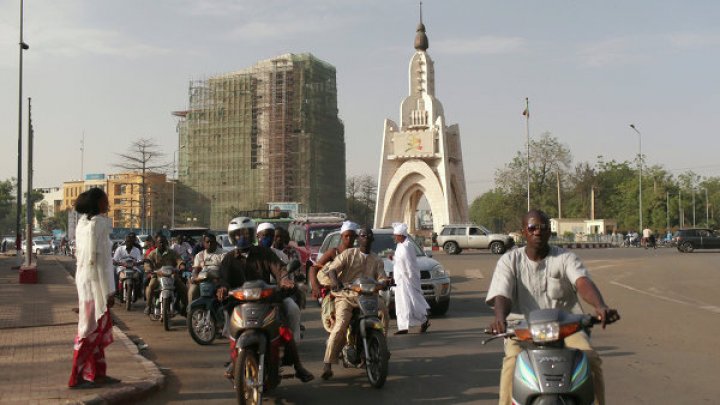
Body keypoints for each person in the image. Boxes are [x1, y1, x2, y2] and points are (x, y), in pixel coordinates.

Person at [486, 209, 620, 405]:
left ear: (550, 232)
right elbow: (502, 293)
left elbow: (582, 282)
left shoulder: (566, 258)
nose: (537, 232)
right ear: (524, 231)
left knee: (590, 359)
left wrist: (600, 306)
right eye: (532, 228)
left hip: (567, 328)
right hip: (522, 329)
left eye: (542, 228)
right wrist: (499, 319)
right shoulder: (509, 261)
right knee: (512, 363)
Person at [216, 217, 313, 382]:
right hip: (240, 302)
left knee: (284, 328)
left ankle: (298, 366)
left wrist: (284, 280)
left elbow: (279, 269)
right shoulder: (228, 259)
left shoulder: (264, 253)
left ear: (252, 234)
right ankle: (235, 359)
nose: (242, 238)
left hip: (266, 299)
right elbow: (222, 279)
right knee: (229, 325)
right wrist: (222, 288)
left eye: (246, 234)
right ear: (232, 237)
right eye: (238, 235)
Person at [317, 227, 389, 380]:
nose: (366, 238)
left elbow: (382, 277)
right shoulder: (348, 254)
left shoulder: (377, 259)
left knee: (383, 312)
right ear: (359, 239)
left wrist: (384, 283)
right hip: (346, 296)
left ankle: (382, 347)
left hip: (368, 295)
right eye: (363, 235)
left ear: (372, 240)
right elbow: (333, 269)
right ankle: (328, 363)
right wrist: (336, 282)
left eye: (369, 236)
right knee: (341, 324)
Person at [68, 187, 121, 389]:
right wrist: (108, 291)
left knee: (96, 330)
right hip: (95, 284)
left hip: (84, 281)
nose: (108, 203)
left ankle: (98, 374)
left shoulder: (83, 223)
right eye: (105, 200)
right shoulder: (99, 224)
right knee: (89, 330)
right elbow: (100, 261)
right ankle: (76, 376)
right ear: (98, 203)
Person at [392, 222, 430, 335]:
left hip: (407, 280)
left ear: (401, 235)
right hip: (400, 280)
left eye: (396, 235)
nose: (394, 237)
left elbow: (409, 265)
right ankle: (403, 326)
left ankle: (424, 320)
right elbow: (400, 261)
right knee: (402, 303)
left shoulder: (408, 246)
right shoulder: (400, 246)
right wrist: (393, 258)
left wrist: (409, 278)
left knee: (413, 302)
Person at [309, 220, 358, 300]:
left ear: (355, 237)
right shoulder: (333, 252)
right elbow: (313, 268)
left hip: (352, 291)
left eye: (352, 236)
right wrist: (315, 286)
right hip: (334, 291)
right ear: (341, 236)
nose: (349, 239)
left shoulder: (357, 253)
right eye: (346, 236)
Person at [144, 235, 188, 315]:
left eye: (164, 242)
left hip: (171, 276)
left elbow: (178, 259)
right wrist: (149, 269)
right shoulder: (152, 253)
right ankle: (148, 306)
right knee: (150, 286)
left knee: (183, 288)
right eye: (160, 242)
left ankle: (185, 307)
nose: (162, 244)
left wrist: (181, 265)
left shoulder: (172, 252)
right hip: (158, 276)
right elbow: (147, 262)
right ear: (156, 244)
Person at [188, 233, 226, 304]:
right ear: (204, 243)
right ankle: (191, 310)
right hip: (202, 281)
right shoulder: (199, 255)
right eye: (207, 242)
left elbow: (224, 270)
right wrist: (195, 278)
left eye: (212, 242)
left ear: (216, 242)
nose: (210, 244)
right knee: (192, 291)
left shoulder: (223, 253)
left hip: (218, 280)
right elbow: (196, 270)